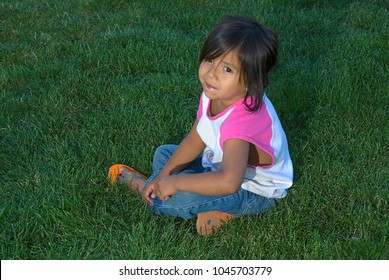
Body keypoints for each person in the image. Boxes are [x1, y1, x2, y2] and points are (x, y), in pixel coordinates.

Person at [108, 15, 293, 236]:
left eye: (227, 70)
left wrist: (175, 183)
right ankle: (205, 206)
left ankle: (142, 185)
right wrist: (164, 175)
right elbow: (197, 137)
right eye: (210, 60)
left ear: (252, 82)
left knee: (175, 200)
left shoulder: (242, 123)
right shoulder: (216, 92)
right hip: (220, 163)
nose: (211, 73)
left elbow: (229, 182)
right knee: (164, 155)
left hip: (252, 190)